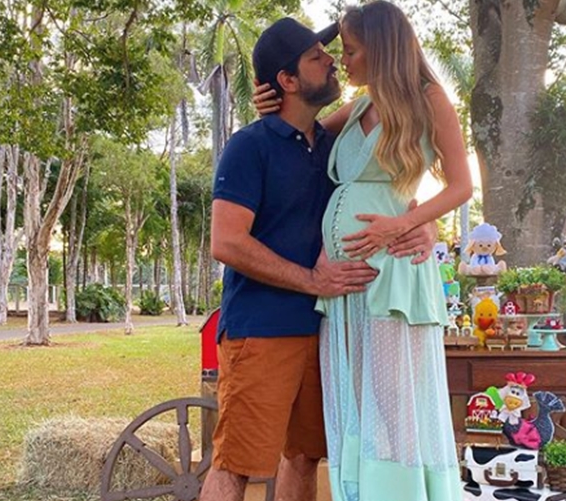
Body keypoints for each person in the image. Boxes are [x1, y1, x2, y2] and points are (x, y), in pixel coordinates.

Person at [203, 17, 436, 501]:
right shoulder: (250, 146)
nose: (332, 60)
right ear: (287, 80)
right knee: (237, 464)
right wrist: (312, 280)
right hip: (262, 329)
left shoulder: (335, 146)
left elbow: (388, 185)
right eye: (316, 56)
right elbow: (226, 242)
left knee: (305, 456)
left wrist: (422, 223)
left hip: (328, 329)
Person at [254, 2, 473, 500]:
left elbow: (462, 185)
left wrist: (411, 222)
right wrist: (269, 106)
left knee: (392, 398)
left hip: (392, 269)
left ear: (380, 48)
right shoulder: (358, 107)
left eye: (350, 50)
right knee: (353, 394)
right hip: (342, 281)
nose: (342, 60)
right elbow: (303, 136)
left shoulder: (429, 99)